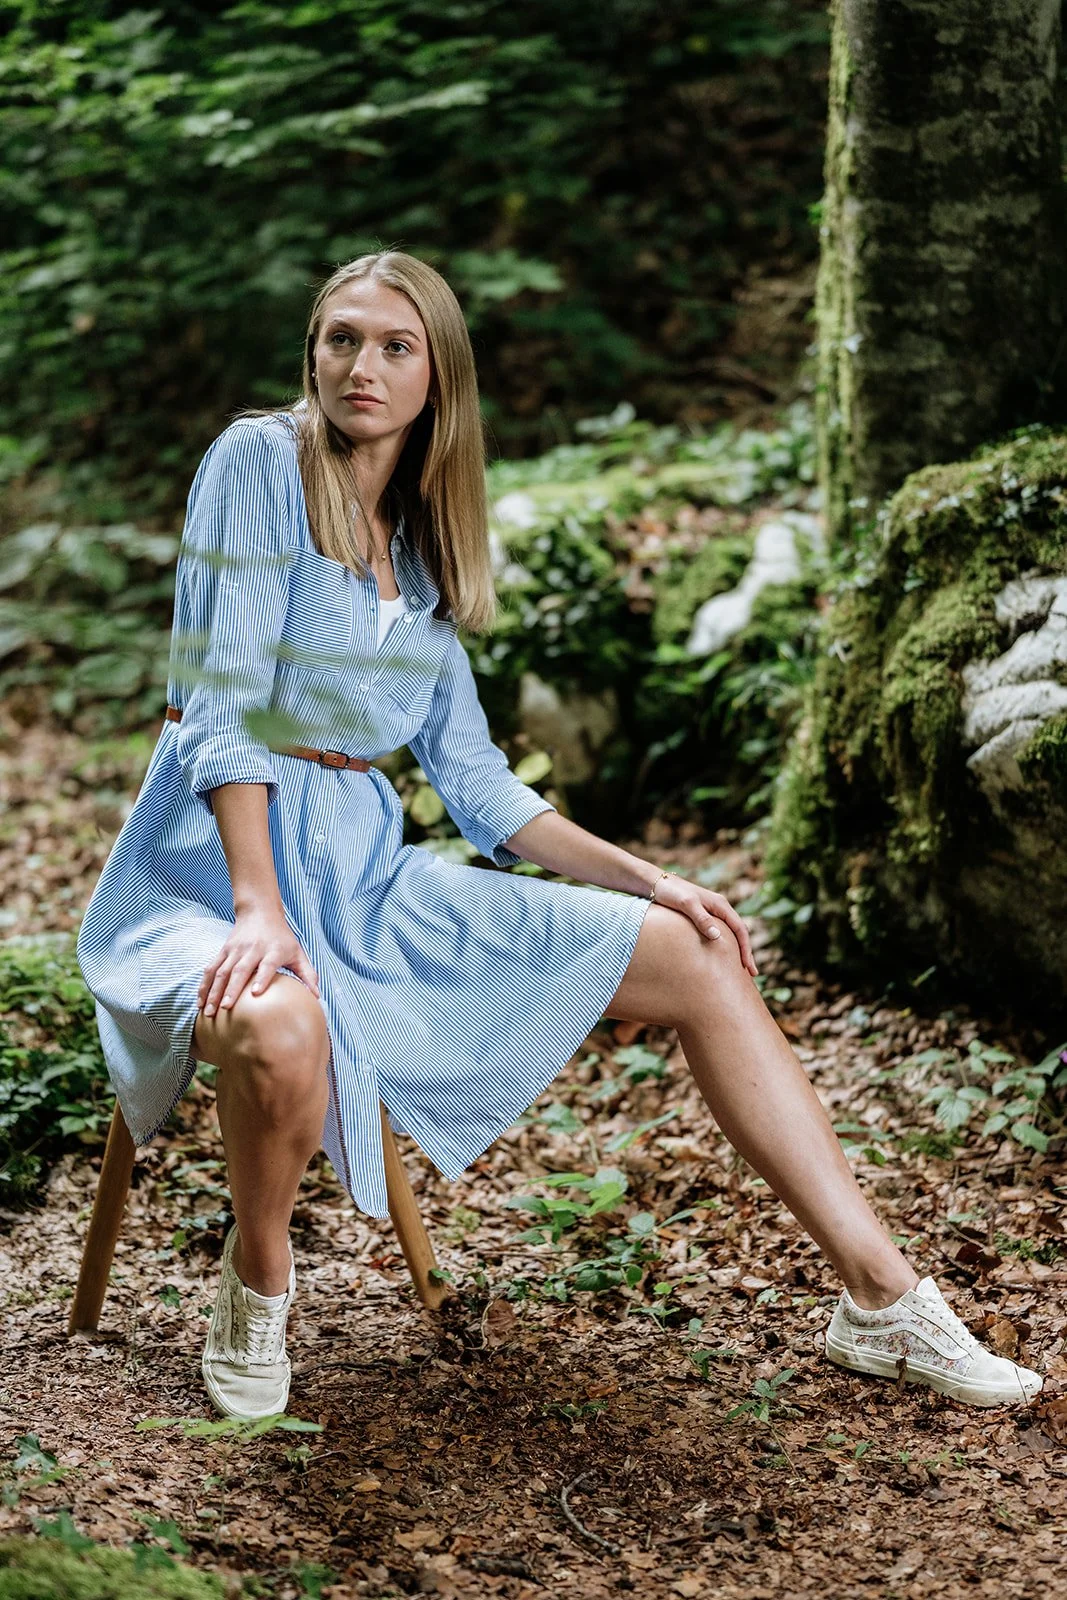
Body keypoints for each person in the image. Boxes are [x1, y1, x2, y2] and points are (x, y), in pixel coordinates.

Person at [76, 250, 1042, 1420]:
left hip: (361, 880)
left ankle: (879, 1300)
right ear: (311, 352)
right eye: (339, 338)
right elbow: (222, 701)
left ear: (440, 379)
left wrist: (654, 880)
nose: (360, 367)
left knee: (695, 951)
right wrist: (255, 903)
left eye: (393, 347)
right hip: (205, 869)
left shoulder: (424, 554)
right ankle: (258, 1279)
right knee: (279, 1025)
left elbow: (482, 790)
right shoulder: (257, 462)